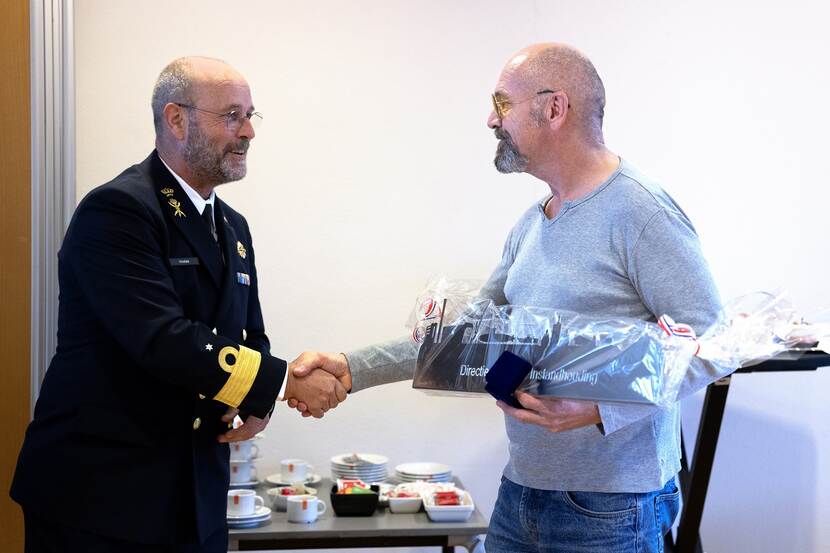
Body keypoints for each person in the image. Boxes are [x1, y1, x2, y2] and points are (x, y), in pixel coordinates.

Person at [290, 43, 730, 552]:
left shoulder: (641, 212)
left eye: (501, 103)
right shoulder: (531, 224)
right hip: (522, 491)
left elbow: (714, 345)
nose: (490, 120)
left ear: (554, 108)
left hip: (611, 508)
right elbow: (463, 342)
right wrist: (349, 368)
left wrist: (600, 411)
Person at [10, 56, 347, 553]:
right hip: (100, 500)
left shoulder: (232, 226)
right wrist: (278, 382)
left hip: (195, 497)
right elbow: (164, 340)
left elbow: (247, 334)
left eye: (252, 115)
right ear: (176, 118)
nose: (249, 131)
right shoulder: (119, 211)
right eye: (232, 115)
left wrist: (255, 404)